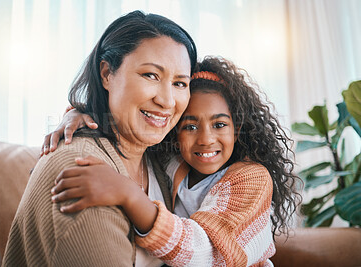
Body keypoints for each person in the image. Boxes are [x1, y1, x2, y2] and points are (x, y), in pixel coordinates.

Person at [48, 56, 302, 266]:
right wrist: (80, 114)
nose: (205, 139)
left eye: (220, 124)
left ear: (238, 130)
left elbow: (208, 251)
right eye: (190, 126)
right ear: (174, 131)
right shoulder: (173, 162)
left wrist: (129, 194)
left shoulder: (251, 178)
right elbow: (130, 121)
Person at [2, 10, 197, 266]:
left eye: (180, 83)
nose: (167, 100)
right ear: (107, 74)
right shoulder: (81, 170)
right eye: (150, 75)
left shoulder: (162, 159)